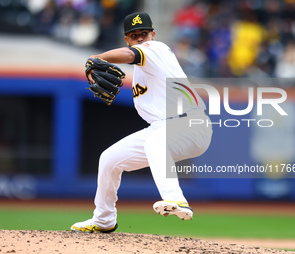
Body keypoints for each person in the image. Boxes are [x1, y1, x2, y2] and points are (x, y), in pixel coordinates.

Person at [71, 12, 213, 233]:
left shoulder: (157, 50)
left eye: (144, 33)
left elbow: (130, 55)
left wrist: (97, 58)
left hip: (191, 123)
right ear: (126, 38)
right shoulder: (141, 71)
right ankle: (104, 219)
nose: (140, 38)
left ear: (153, 34)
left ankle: (176, 200)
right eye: (134, 35)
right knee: (109, 159)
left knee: (156, 142)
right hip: (162, 128)